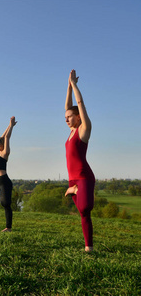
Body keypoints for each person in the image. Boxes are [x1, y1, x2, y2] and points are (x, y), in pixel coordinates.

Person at [65, 70, 95, 252]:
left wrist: (75, 85)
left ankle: (88, 249)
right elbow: (68, 106)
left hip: (84, 177)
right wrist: (68, 86)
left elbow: (79, 104)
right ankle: (88, 248)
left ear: (78, 117)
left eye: (69, 117)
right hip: (72, 179)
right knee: (83, 215)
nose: (66, 120)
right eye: (65, 118)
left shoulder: (83, 130)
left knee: (85, 208)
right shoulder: (70, 132)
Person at [0, 116, 17, 232]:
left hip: (4, 181)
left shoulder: (5, 153)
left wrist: (11, 126)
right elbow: (2, 137)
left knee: (5, 204)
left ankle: (8, 227)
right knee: (4, 203)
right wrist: (8, 125)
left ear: (2, 145)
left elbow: (6, 137)